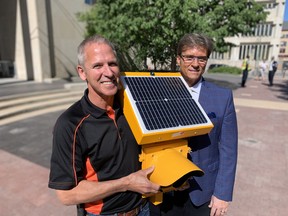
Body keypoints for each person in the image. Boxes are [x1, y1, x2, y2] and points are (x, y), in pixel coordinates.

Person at [48, 35, 160, 216]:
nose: (108, 72)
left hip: (143, 209)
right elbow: (66, 195)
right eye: (98, 66)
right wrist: (126, 183)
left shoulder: (133, 107)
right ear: (82, 72)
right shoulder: (70, 124)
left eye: (112, 64)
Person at [160, 33, 238, 216]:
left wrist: (222, 194)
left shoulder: (222, 97)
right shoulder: (159, 91)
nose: (195, 64)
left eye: (201, 58)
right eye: (189, 57)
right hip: (167, 188)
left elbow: (228, 150)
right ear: (178, 59)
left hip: (204, 191)